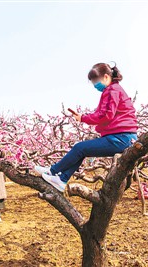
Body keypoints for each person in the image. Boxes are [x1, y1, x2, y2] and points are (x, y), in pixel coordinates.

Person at [35, 62, 138, 192]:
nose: (95, 85)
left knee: (80, 148)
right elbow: (103, 114)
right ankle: (61, 179)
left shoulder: (112, 90)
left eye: (96, 81)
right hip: (124, 137)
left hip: (121, 137)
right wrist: (83, 116)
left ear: (106, 77)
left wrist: (83, 118)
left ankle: (53, 171)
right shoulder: (114, 90)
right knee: (83, 150)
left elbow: (106, 115)